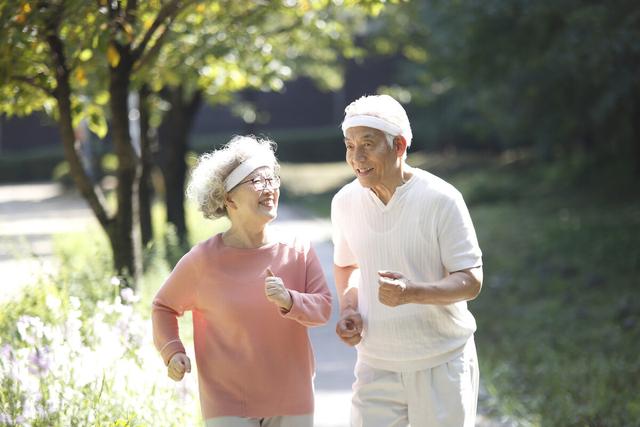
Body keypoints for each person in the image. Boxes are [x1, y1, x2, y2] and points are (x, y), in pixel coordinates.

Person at [152, 135, 332, 427]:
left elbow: (323, 307)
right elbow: (163, 306)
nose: (269, 187)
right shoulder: (202, 260)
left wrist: (290, 300)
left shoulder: (297, 248)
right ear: (228, 199)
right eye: (256, 181)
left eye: (271, 178)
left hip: (292, 394)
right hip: (226, 400)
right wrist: (172, 351)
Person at [331, 94, 483, 427]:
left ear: (399, 146)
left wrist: (411, 292)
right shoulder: (344, 202)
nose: (357, 157)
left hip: (441, 361)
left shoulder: (442, 199)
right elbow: (348, 265)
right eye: (350, 145)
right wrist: (349, 308)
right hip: (376, 363)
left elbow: (471, 280)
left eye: (368, 144)